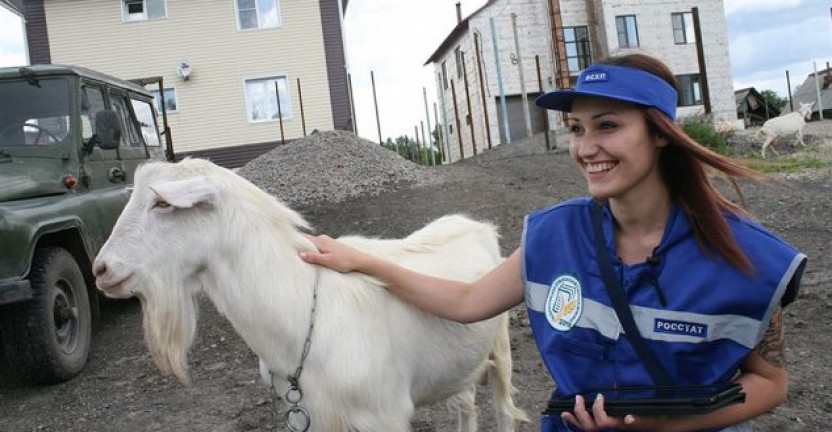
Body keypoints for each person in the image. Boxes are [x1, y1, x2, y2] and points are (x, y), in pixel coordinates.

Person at [299, 53, 807, 432]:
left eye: (608, 126)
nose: (586, 148)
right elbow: (468, 300)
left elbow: (771, 384)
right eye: (576, 129)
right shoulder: (554, 236)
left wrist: (660, 427)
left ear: (660, 134)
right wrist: (365, 260)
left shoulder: (744, 256)